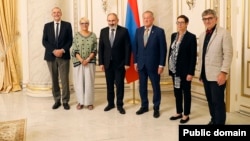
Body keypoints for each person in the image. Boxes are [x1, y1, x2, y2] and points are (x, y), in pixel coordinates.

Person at [198, 9, 233, 125]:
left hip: (218, 75)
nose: (207, 21)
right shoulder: (202, 35)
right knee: (210, 100)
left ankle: (219, 124)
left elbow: (228, 54)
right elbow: (202, 55)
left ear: (216, 19)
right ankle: (213, 120)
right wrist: (200, 73)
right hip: (205, 74)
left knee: (217, 101)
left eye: (210, 18)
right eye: (205, 19)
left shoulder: (224, 33)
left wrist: (223, 72)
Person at [134, 10, 167, 118]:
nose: (146, 19)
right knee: (142, 87)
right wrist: (135, 61)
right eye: (144, 18)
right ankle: (144, 106)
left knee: (155, 87)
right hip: (141, 65)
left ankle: (156, 108)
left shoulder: (159, 31)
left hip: (154, 65)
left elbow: (163, 49)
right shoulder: (138, 31)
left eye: (148, 18)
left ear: (153, 19)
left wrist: (161, 65)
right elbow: (136, 48)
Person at [98, 13, 131, 114]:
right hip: (107, 63)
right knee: (109, 85)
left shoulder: (124, 31)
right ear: (107, 21)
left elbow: (127, 48)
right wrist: (101, 63)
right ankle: (110, 103)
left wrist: (127, 63)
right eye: (109, 21)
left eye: (113, 20)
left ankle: (120, 105)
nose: (111, 23)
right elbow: (101, 48)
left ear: (117, 20)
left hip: (120, 63)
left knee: (120, 85)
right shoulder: (103, 31)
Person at [42, 7, 73, 110]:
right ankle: (57, 100)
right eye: (54, 12)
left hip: (64, 56)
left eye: (58, 12)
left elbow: (70, 40)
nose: (56, 14)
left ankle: (65, 101)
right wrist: (54, 51)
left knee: (64, 80)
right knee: (54, 79)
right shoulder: (47, 26)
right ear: (52, 14)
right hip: (50, 56)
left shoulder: (67, 25)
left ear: (61, 13)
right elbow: (44, 41)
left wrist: (62, 50)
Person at [168, 15, 197, 123]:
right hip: (174, 70)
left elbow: (193, 56)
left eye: (182, 22)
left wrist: (190, 72)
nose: (179, 25)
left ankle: (186, 114)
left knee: (186, 92)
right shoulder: (173, 35)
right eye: (178, 22)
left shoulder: (191, 37)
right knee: (177, 92)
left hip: (185, 71)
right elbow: (171, 52)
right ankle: (178, 112)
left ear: (186, 24)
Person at [71, 17, 97, 110]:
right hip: (79, 62)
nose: (84, 25)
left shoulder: (93, 35)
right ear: (80, 24)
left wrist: (88, 59)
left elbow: (95, 49)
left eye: (86, 23)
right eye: (82, 23)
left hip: (90, 62)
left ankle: (89, 102)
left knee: (89, 83)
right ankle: (80, 102)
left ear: (88, 24)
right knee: (79, 83)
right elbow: (74, 49)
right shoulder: (76, 35)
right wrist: (82, 60)